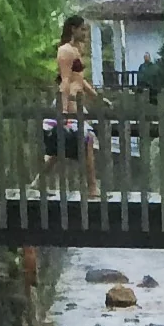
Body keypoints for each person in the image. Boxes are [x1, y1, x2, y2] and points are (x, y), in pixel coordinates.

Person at [52, 17, 99, 195]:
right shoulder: (65, 51)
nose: (85, 33)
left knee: (64, 144)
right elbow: (65, 80)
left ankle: (39, 178)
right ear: (73, 29)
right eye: (82, 29)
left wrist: (95, 96)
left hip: (77, 102)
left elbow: (80, 79)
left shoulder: (75, 50)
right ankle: (92, 187)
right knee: (87, 140)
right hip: (70, 102)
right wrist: (63, 109)